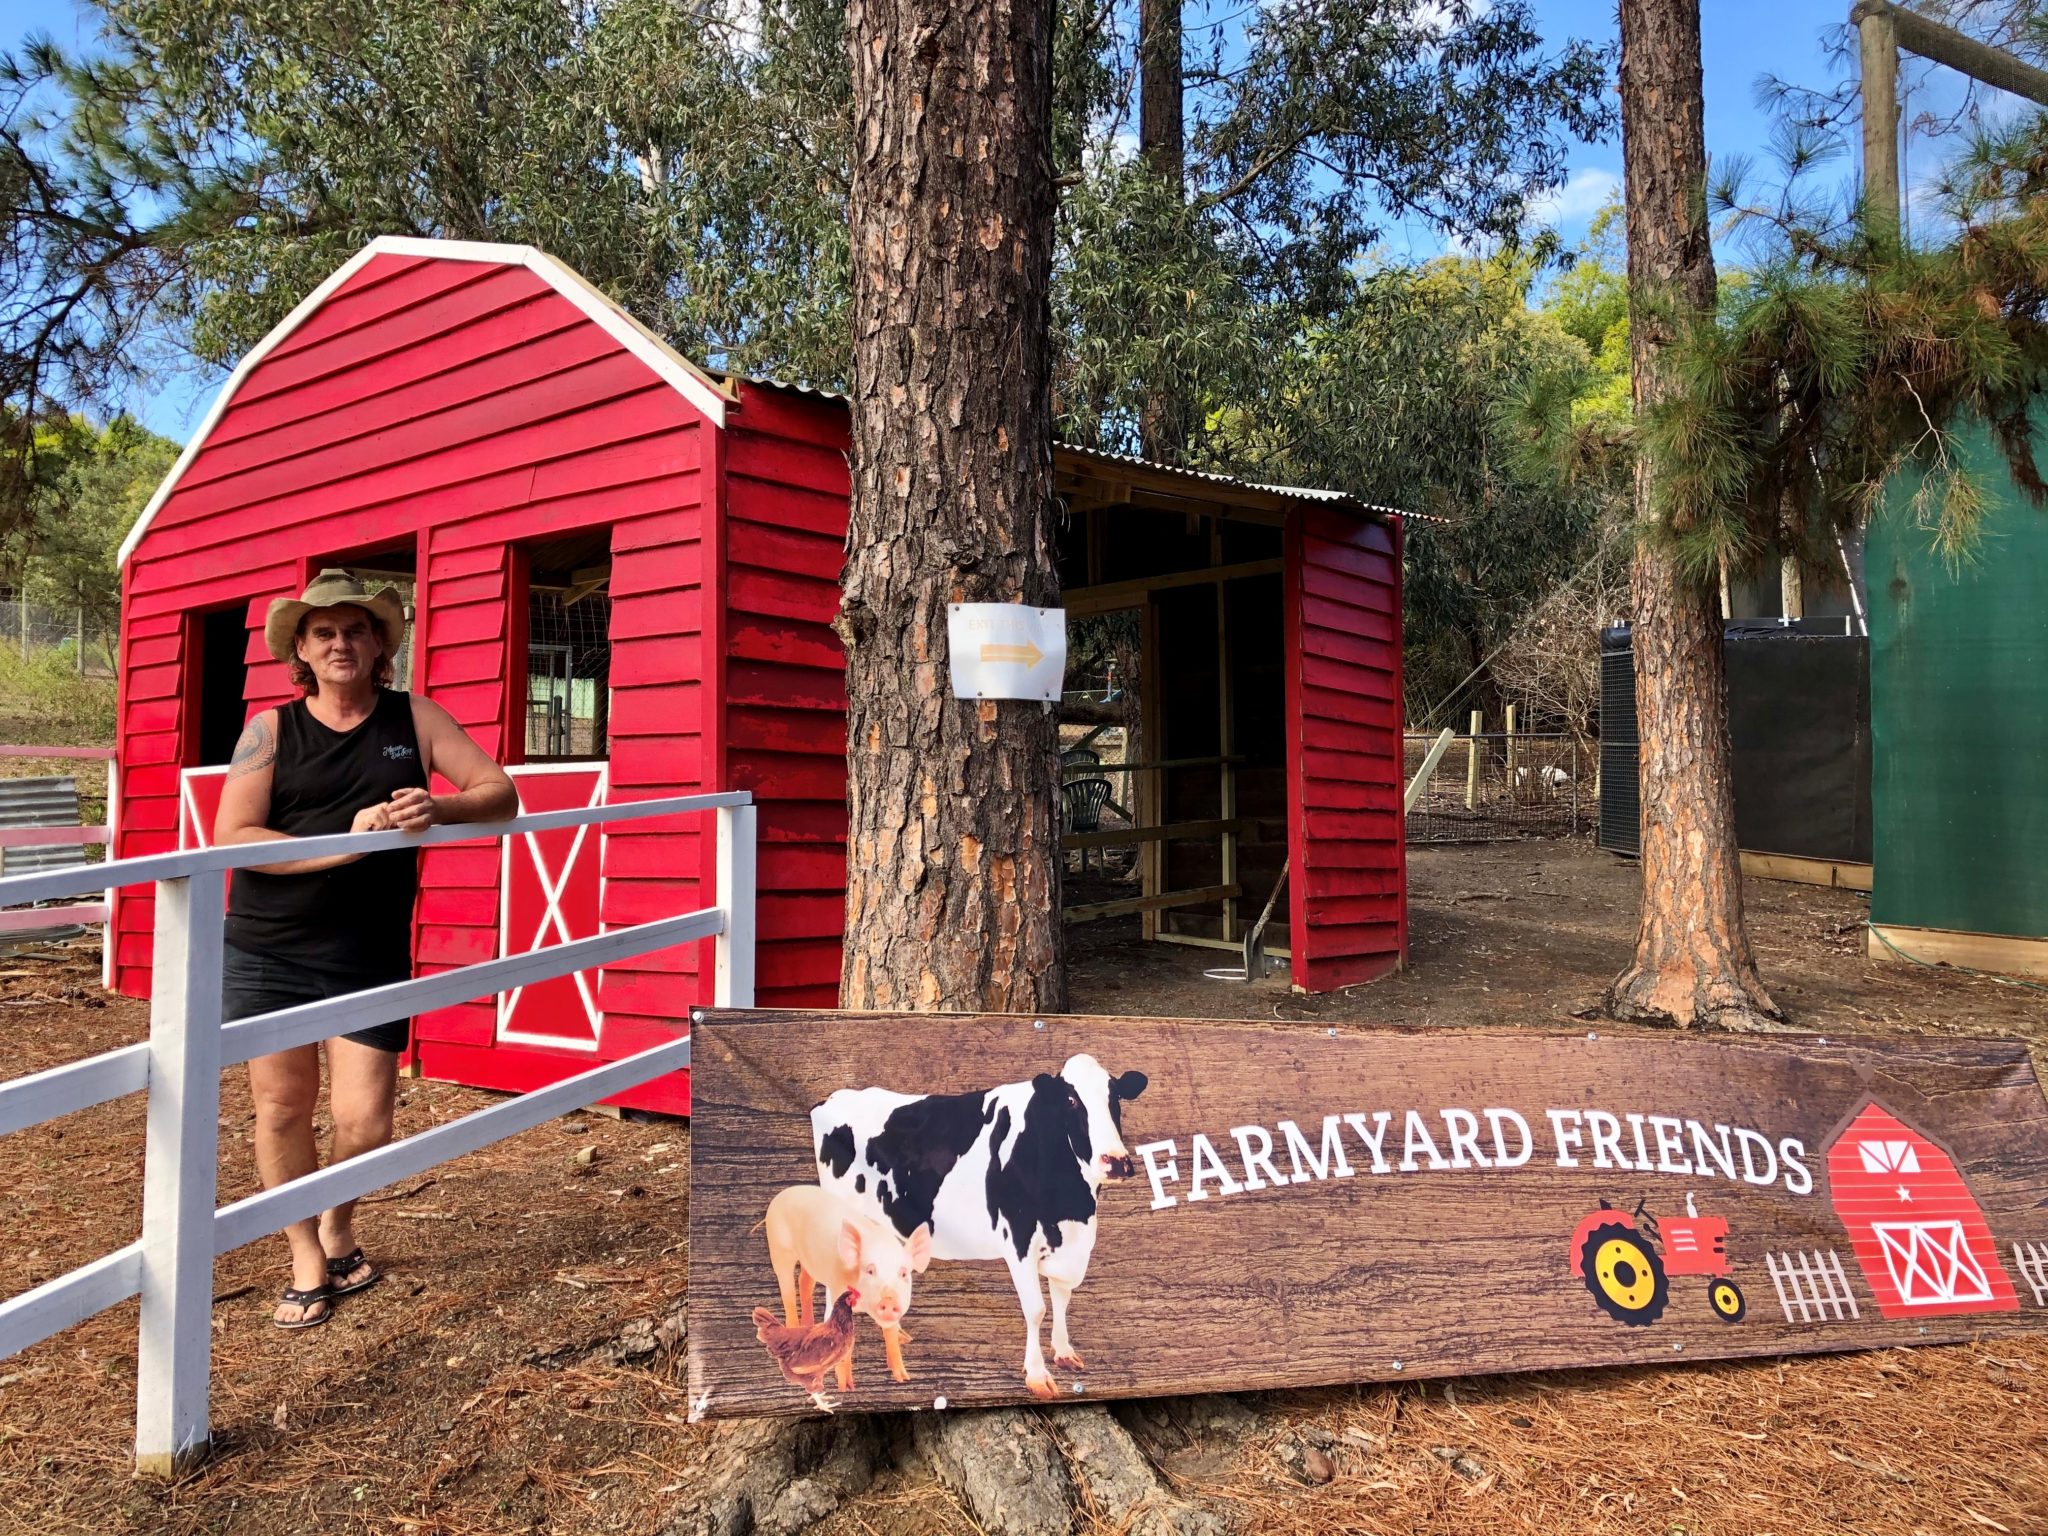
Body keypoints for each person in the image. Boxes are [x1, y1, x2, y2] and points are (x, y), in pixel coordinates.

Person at [215, 569, 516, 1329]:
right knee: (283, 1108)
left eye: (355, 629)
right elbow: (235, 839)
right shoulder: (269, 730)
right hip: (269, 946)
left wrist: (437, 806)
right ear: (303, 652)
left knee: (365, 1123)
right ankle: (307, 1256)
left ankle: (338, 1222)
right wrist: (341, 849)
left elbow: (500, 791)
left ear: (379, 643)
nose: (341, 643)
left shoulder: (412, 719)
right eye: (324, 633)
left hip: (368, 947)